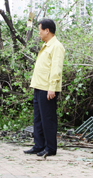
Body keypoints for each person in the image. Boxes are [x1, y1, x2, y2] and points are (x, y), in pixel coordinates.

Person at [24, 19, 65, 157]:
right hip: (39, 86)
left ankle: (50, 148)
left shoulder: (56, 46)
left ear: (47, 30)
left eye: (40, 30)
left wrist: (52, 88)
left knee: (48, 119)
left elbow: (56, 69)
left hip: (48, 88)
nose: (39, 33)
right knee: (38, 119)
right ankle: (39, 145)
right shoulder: (46, 45)